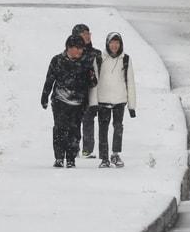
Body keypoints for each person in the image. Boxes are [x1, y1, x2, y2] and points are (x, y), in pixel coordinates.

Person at [42, 34, 97, 168]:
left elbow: (93, 83)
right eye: (77, 48)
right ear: (68, 48)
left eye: (81, 48)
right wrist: (44, 96)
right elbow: (49, 79)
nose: (80, 51)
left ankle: (71, 158)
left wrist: (91, 77)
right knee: (60, 129)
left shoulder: (85, 62)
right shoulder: (57, 60)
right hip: (60, 100)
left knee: (74, 131)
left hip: (78, 103)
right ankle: (59, 157)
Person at [89, 32, 137, 168]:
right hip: (103, 100)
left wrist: (132, 105)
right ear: (107, 43)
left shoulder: (125, 59)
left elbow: (131, 82)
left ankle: (115, 154)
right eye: (112, 42)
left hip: (120, 100)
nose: (114, 45)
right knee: (102, 130)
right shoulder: (99, 58)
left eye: (117, 42)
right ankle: (104, 158)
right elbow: (94, 82)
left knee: (118, 127)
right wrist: (93, 103)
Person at [71, 24, 103, 158]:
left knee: (88, 120)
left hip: (92, 93)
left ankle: (87, 150)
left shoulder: (96, 53)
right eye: (84, 34)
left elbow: (101, 73)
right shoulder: (72, 53)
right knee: (74, 121)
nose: (87, 36)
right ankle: (73, 149)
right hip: (75, 92)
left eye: (88, 33)